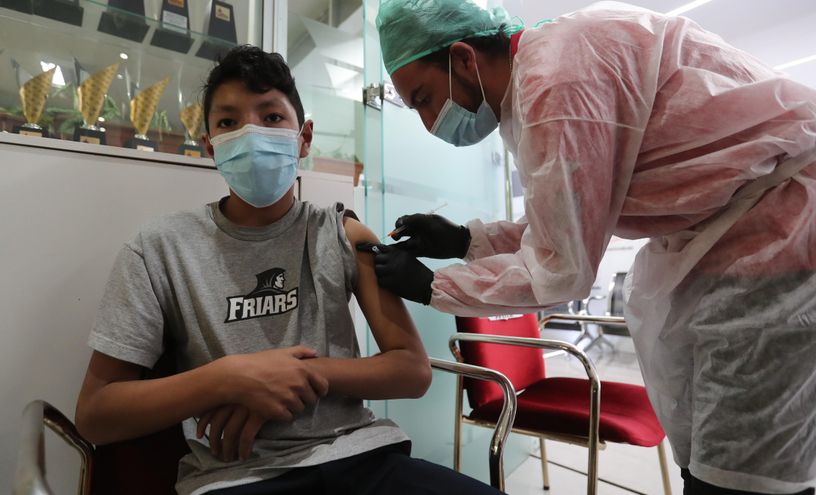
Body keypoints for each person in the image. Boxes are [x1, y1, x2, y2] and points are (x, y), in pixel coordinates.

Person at [358, 1, 816, 494]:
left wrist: (431, 285)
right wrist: (463, 240)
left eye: (424, 98)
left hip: (793, 225)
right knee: (718, 459)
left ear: (463, 58)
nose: (429, 124)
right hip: (756, 225)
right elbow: (564, 224)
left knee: (744, 476)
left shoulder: (553, 80)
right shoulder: (547, 72)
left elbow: (561, 267)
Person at [75, 45, 501, 495]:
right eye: (227, 122)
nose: (251, 134)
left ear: (305, 137)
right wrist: (229, 379)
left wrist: (296, 375)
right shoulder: (160, 249)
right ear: (210, 147)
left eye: (272, 117)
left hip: (361, 457)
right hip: (236, 477)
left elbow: (411, 370)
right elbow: (96, 413)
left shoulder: (343, 235)